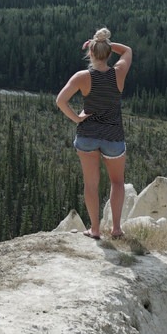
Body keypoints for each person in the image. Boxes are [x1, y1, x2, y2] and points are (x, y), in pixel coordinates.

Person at [55, 28, 132, 240]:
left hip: (88, 135)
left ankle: (95, 229)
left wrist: (77, 118)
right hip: (113, 136)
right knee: (117, 182)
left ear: (90, 53)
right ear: (108, 53)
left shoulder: (82, 77)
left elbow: (60, 101)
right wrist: (105, 42)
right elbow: (127, 51)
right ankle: (116, 229)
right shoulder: (119, 72)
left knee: (91, 184)